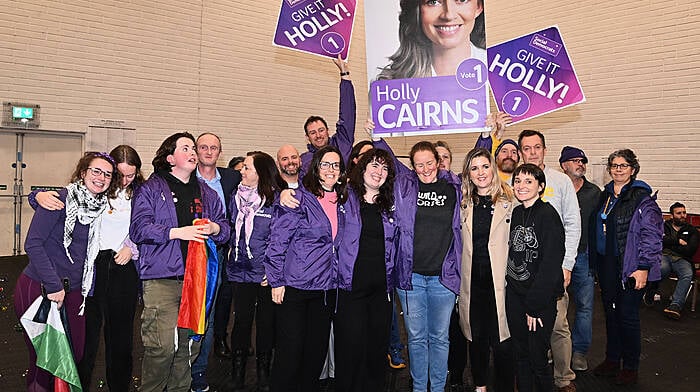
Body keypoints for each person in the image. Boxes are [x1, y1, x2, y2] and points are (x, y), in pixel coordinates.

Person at [29, 146, 145, 391]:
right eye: (119, 175)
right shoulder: (98, 192)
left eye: (130, 175)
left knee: (121, 338)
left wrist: (132, 247)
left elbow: (148, 223)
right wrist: (36, 195)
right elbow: (65, 198)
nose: (124, 181)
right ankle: (79, 385)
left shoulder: (142, 194)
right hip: (92, 267)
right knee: (86, 338)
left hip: (124, 266)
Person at [130, 132, 230, 392]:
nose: (193, 152)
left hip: (197, 280)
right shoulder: (151, 188)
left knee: (187, 347)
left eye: (193, 147)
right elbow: (139, 229)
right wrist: (176, 232)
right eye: (186, 147)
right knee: (162, 346)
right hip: (162, 279)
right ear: (170, 157)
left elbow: (226, 229)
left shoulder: (207, 193)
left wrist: (215, 228)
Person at [14, 151, 115, 391]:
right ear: (83, 172)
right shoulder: (59, 199)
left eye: (108, 175)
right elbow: (33, 244)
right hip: (41, 289)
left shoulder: (101, 208)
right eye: (96, 171)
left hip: (75, 293)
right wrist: (54, 285)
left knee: (75, 355)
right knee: (44, 362)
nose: (101, 177)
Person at [265, 145, 347, 392]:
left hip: (326, 289)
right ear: (315, 168)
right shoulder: (298, 198)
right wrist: (276, 280)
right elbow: (277, 240)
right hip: (296, 287)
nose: (330, 169)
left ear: (342, 171)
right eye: (325, 164)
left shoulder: (345, 200)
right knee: (290, 353)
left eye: (335, 165)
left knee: (315, 353)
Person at [590, 149, 663, 386]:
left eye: (623, 165)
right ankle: (613, 360)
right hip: (607, 264)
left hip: (631, 267)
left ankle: (630, 366)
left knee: (627, 316)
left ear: (633, 169)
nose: (618, 169)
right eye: (614, 165)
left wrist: (643, 267)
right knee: (611, 314)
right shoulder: (606, 195)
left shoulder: (642, 199)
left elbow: (652, 236)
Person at [394, 141, 462, 392]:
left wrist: (487, 135)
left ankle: (438, 388)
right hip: (410, 278)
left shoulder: (454, 185)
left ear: (438, 161)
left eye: (429, 163)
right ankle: (420, 388)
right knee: (416, 338)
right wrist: (376, 136)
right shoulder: (405, 185)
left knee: (440, 337)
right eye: (419, 164)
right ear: (412, 167)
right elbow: (387, 160)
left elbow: (479, 165)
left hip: (443, 278)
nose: (425, 169)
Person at [518, 129, 580, 392]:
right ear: (520, 152)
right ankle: (530, 375)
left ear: (545, 150)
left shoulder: (560, 181)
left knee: (557, 325)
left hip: (553, 270)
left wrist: (566, 264)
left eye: (537, 147)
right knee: (526, 329)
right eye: (526, 148)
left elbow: (573, 223)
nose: (532, 152)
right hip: (523, 274)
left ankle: (563, 377)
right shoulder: (516, 181)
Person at [335, 148, 398, 392]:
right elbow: (314, 188)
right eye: (374, 165)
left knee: (376, 350)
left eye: (384, 168)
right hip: (351, 287)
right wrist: (288, 192)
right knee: (350, 348)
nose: (378, 171)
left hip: (381, 290)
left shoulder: (391, 202)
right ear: (361, 168)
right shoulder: (343, 195)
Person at [227, 152, 287, 391]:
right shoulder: (234, 197)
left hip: (264, 274)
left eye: (247, 168)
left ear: (260, 173)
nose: (242, 171)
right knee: (241, 323)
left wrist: (272, 271)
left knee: (266, 324)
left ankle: (264, 373)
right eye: (242, 167)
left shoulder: (275, 200)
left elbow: (279, 238)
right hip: (239, 270)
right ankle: (237, 373)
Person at [458, 148, 515, 392]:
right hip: (473, 283)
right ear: (468, 174)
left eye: (485, 166)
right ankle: (480, 386)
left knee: (503, 342)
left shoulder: (510, 202)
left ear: (493, 168)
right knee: (477, 339)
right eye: (474, 168)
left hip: (501, 284)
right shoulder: (462, 204)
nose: (480, 172)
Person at [506, 163, 565, 392]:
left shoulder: (548, 215)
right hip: (515, 296)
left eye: (528, 181)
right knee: (520, 355)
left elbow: (550, 266)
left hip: (537, 302)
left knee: (538, 358)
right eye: (518, 181)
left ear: (540, 186)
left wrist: (534, 306)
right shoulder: (517, 211)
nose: (521, 186)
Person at [191, 132, 242, 390]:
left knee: (210, 311)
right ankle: (186, 369)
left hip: (222, 251)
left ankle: (199, 371)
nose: (209, 151)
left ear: (220, 152)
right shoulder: (186, 177)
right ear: (196, 151)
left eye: (214, 148)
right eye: (203, 147)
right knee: (193, 311)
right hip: (191, 254)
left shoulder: (232, 178)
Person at [559, 146, 601, 372]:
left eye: (582, 160)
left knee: (585, 306)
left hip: (583, 256)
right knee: (555, 307)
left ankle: (579, 352)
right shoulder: (554, 188)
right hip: (557, 258)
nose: (580, 164)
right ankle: (554, 349)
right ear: (564, 165)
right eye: (574, 161)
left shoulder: (594, 193)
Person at [377, 0, 485, 78]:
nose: (448, 15)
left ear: (478, 6)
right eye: (433, 2)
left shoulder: (499, 73)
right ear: (418, 10)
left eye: (461, 0)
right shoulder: (389, 90)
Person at [300, 57, 355, 174]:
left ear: (328, 131)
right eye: (313, 133)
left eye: (321, 130)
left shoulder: (342, 143)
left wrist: (344, 74)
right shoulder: (304, 161)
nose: (318, 135)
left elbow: (347, 113)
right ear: (307, 137)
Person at [645, 202, 699, 319]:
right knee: (660, 268)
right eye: (679, 213)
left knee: (687, 274)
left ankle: (675, 305)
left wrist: (669, 243)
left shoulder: (692, 230)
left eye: (684, 213)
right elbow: (658, 239)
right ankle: (651, 290)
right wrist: (678, 241)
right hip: (664, 255)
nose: (683, 215)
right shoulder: (663, 226)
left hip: (682, 259)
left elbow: (690, 250)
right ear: (672, 215)